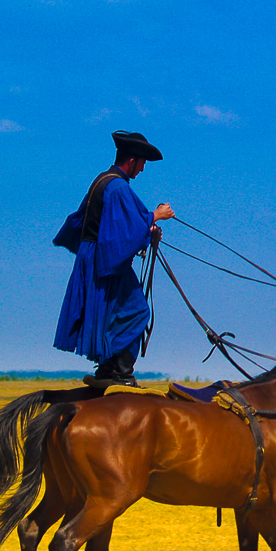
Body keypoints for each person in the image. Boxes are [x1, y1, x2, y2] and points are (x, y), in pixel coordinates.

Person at [53, 131, 175, 387]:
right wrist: (156, 216)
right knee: (138, 311)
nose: (142, 169)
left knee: (118, 314)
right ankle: (120, 374)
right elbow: (126, 229)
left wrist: (146, 229)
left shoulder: (103, 180)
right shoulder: (118, 186)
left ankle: (108, 368)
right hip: (106, 261)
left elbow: (116, 226)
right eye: (142, 163)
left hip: (95, 257)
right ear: (132, 160)